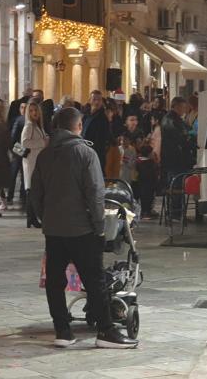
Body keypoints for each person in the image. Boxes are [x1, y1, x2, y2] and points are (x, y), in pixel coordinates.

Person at [30, 106, 139, 349]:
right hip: (82, 228)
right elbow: (95, 193)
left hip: (54, 229)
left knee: (55, 281)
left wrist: (46, 217)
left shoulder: (44, 155)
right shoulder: (85, 153)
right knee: (94, 279)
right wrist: (99, 227)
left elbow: (35, 193)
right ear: (78, 126)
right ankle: (106, 330)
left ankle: (62, 330)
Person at [157, 97, 195, 189]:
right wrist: (190, 142)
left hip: (175, 158)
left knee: (178, 184)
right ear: (176, 107)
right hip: (175, 158)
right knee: (176, 185)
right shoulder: (171, 120)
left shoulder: (175, 119)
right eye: (183, 107)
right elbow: (180, 137)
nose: (184, 110)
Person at [21, 100, 48, 229]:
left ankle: (31, 218)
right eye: (31, 111)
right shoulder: (29, 126)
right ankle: (31, 218)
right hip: (31, 161)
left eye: (36, 110)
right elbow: (25, 143)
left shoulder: (37, 126)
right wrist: (43, 142)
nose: (34, 113)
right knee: (31, 190)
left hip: (36, 161)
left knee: (32, 190)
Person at [82, 90, 111, 171]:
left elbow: (103, 138)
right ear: (89, 100)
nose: (97, 102)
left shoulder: (103, 118)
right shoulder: (85, 115)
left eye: (99, 99)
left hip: (96, 153)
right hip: (84, 150)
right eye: (94, 99)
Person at [8, 101, 28, 208]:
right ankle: (21, 195)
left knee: (16, 173)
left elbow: (12, 137)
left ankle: (11, 195)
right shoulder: (21, 120)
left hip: (19, 150)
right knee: (19, 173)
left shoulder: (18, 120)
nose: (23, 110)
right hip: (22, 150)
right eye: (21, 107)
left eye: (25, 107)